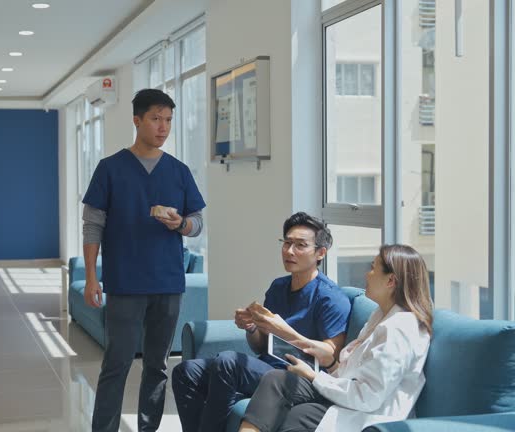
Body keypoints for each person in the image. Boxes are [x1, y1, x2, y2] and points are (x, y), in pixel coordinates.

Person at [82, 88, 206, 432]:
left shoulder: (179, 171)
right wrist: (92, 276)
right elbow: (92, 226)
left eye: (168, 120)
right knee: (117, 363)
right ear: (137, 120)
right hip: (125, 283)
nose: (163, 127)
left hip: (167, 283)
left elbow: (197, 223)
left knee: (158, 365)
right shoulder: (110, 169)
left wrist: (180, 223)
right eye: (155, 118)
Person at [172, 212, 351, 432]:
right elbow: (261, 345)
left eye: (300, 245)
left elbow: (331, 355)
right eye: (287, 243)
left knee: (229, 361)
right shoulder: (278, 287)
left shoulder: (330, 297)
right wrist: (252, 327)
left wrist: (285, 331)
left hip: (300, 376)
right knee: (186, 371)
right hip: (268, 366)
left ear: (320, 253)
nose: (290, 251)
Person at [238, 244, 433, 432]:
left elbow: (369, 396)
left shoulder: (400, 329)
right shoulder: (380, 316)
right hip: (346, 395)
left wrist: (313, 376)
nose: (367, 274)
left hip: (367, 412)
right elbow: (357, 371)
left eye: (373, 269)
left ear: (391, 281)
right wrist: (330, 363)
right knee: (278, 381)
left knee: (295, 414)